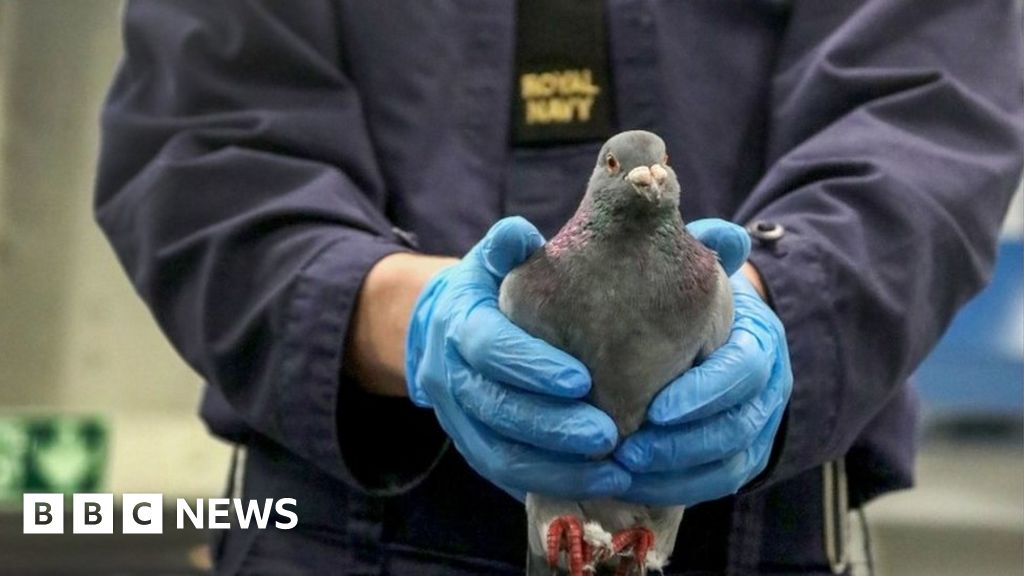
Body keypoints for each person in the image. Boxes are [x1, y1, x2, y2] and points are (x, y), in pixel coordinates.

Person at [95, 1, 1023, 574]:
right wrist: (406, 323)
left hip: (750, 528)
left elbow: (926, 115)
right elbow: (199, 144)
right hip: (341, 523)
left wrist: (778, 305)